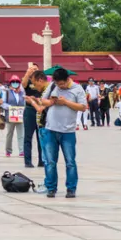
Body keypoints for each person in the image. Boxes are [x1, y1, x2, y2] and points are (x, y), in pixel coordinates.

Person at [32, 67, 88, 199]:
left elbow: (83, 107)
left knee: (70, 161)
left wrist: (66, 102)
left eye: (62, 84)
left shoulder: (77, 89)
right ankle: (51, 188)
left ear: (67, 79)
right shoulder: (52, 86)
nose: (60, 86)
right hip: (51, 129)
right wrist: (52, 101)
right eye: (58, 84)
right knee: (50, 161)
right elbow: (43, 101)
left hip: (68, 131)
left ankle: (71, 188)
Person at [21, 63, 47, 169]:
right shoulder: (29, 80)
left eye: (36, 69)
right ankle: (28, 161)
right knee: (28, 137)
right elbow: (22, 85)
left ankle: (42, 160)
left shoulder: (42, 80)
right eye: (32, 69)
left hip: (41, 108)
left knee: (41, 136)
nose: (34, 70)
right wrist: (28, 74)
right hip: (30, 110)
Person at [2, 77, 25, 158]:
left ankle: (22, 150)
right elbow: (2, 103)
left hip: (20, 115)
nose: (15, 83)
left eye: (17, 82)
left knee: (21, 134)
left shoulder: (22, 93)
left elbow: (25, 103)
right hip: (10, 115)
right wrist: (10, 107)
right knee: (9, 134)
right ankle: (8, 150)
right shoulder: (7, 93)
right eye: (13, 82)